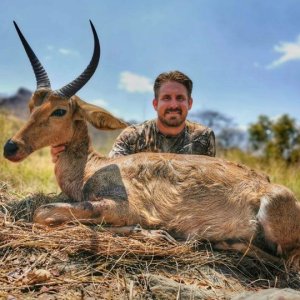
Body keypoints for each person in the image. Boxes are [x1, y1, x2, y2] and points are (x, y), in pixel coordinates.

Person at [51, 70, 216, 162]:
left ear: (190, 103)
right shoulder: (133, 135)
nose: (173, 105)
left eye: (180, 98)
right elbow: (109, 172)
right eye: (166, 98)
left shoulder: (204, 137)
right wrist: (69, 157)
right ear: (155, 104)